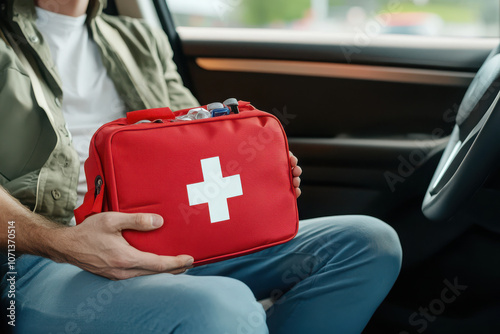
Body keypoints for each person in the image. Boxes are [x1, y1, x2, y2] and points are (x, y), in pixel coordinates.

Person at [0, 0, 402, 333]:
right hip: (42, 260)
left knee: (369, 244)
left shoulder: (140, 39)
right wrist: (62, 243)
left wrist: (261, 171)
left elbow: (197, 138)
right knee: (224, 307)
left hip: (177, 236)